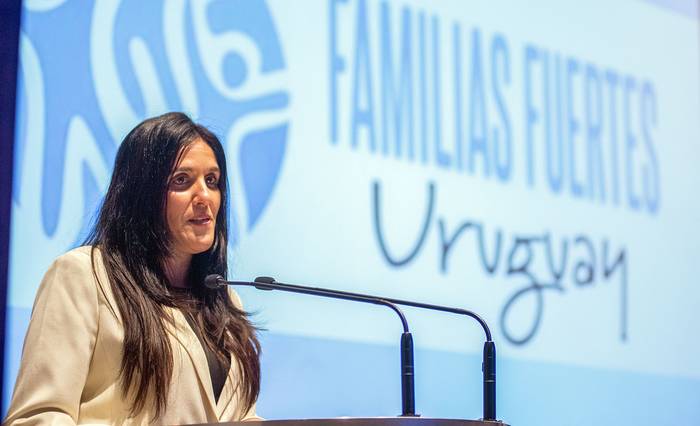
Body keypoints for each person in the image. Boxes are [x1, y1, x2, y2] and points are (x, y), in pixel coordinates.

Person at [4, 112, 262, 425]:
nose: (204, 197)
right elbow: (39, 416)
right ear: (142, 195)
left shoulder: (225, 301)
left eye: (213, 181)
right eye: (182, 181)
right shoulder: (85, 276)